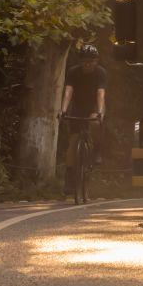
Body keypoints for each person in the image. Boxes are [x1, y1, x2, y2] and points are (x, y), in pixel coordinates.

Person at [61, 43, 107, 199]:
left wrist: (100, 112)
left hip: (94, 106)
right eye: (85, 61)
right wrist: (63, 110)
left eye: (91, 61)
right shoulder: (73, 72)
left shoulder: (100, 73)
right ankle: (69, 177)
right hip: (78, 107)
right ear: (80, 61)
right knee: (73, 142)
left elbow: (100, 94)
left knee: (95, 122)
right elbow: (68, 92)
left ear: (96, 61)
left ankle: (97, 150)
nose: (88, 64)